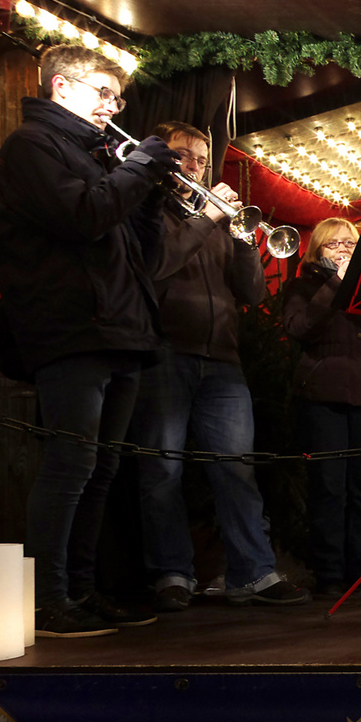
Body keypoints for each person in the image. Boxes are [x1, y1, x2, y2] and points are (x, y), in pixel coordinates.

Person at [0, 44, 181, 638]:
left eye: (117, 95)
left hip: (120, 326)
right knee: (71, 463)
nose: (113, 105)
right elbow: (82, 216)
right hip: (73, 327)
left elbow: (134, 253)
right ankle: (46, 598)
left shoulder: (97, 155)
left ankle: (79, 587)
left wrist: (150, 199)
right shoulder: (32, 146)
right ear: (61, 88)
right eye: (103, 91)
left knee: (101, 470)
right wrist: (136, 171)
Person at [128, 121, 309, 612]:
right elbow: (156, 265)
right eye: (185, 156)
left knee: (237, 471)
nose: (196, 167)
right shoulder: (150, 208)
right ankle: (172, 574)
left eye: (203, 160)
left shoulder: (214, 219)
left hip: (223, 360)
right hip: (166, 352)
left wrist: (245, 238)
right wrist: (208, 218)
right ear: (163, 158)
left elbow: (251, 293)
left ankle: (251, 572)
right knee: (162, 471)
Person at [282, 217, 361, 598]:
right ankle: (330, 572)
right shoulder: (303, 286)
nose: (345, 250)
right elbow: (298, 328)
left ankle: (360, 569)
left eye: (350, 244)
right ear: (318, 252)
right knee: (329, 489)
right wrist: (336, 284)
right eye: (335, 245)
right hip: (323, 398)